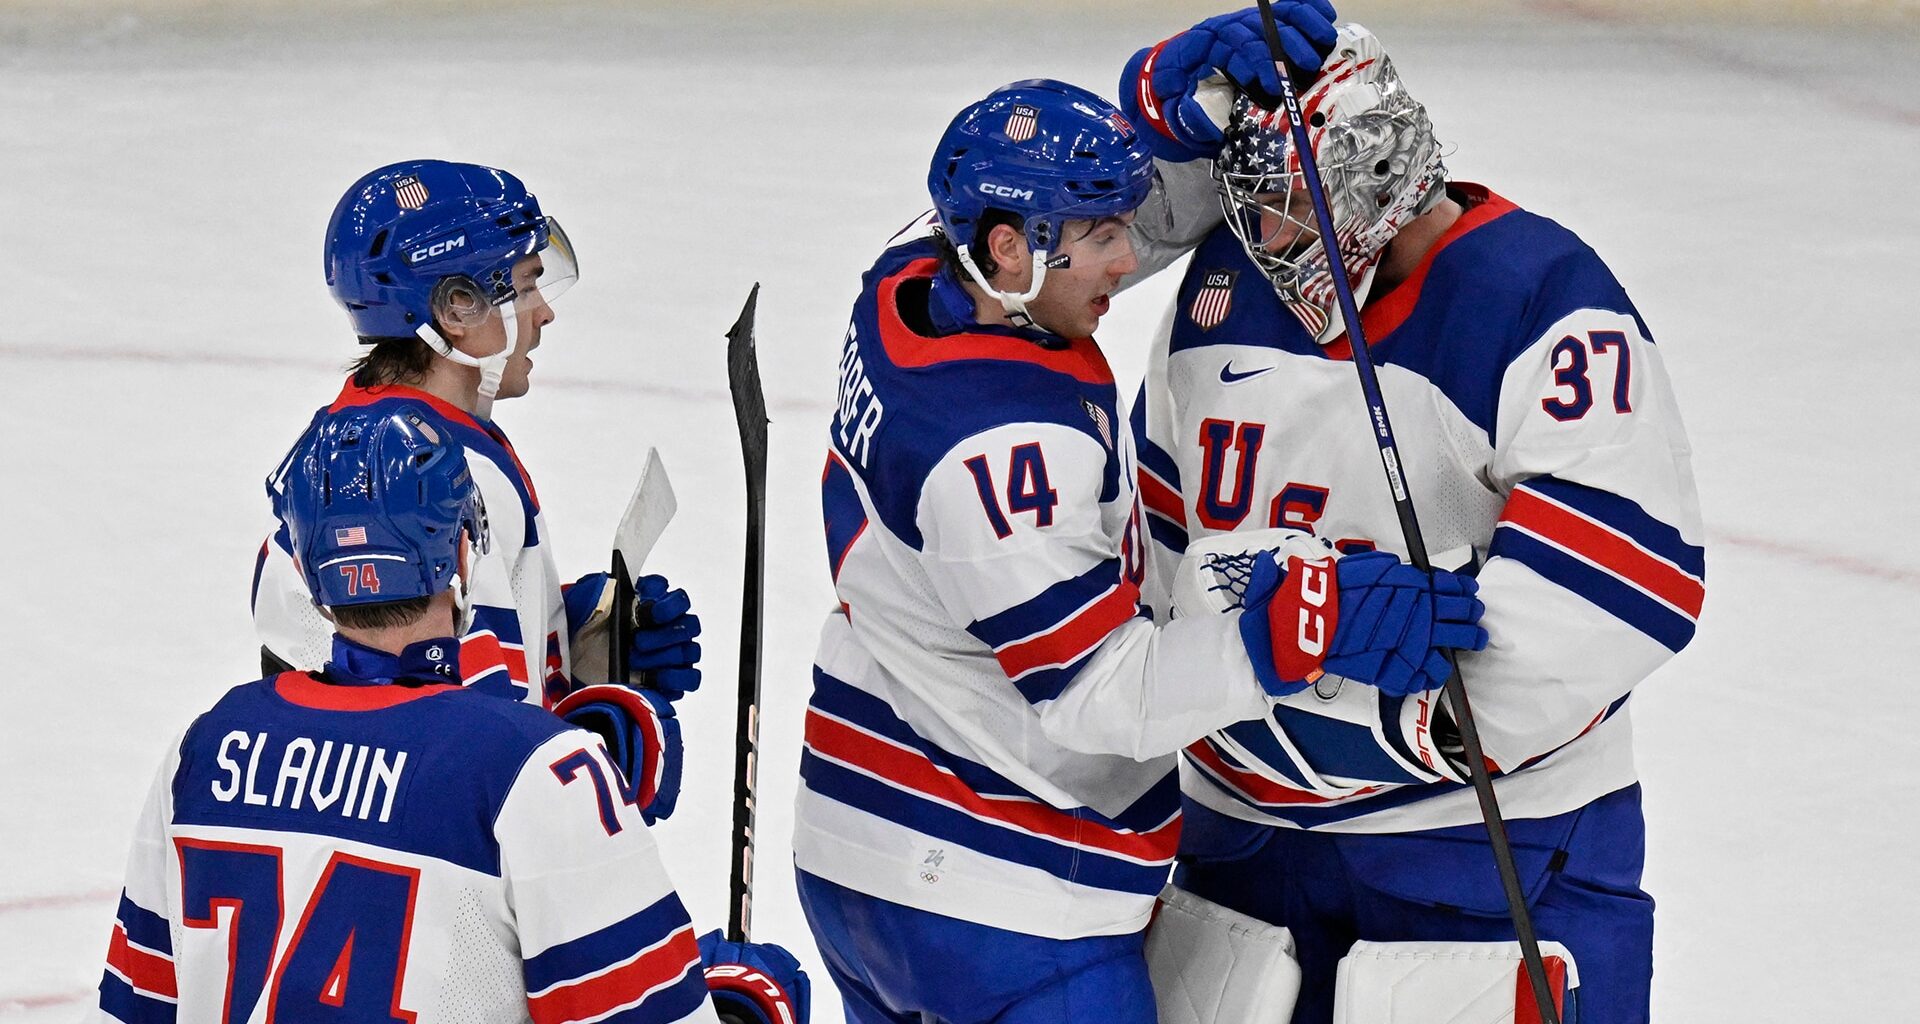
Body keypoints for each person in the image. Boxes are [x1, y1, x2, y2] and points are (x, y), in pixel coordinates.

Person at [790, 71, 1486, 1024]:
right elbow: (1097, 692)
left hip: (857, 843)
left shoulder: (908, 277)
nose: (1129, 253)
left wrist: (1175, 119)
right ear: (1010, 247)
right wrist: (1296, 631)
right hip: (997, 896)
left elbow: (1089, 228)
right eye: (1100, 235)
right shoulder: (1006, 458)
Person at [1119, 10, 1706, 1022]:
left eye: (1287, 207)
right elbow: (1156, 555)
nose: (1264, 240)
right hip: (1239, 849)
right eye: (1250, 208)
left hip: (1482, 848)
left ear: (1374, 173)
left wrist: (1389, 726)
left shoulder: (1540, 295)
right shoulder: (1223, 286)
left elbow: (1620, 592)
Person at [95, 408, 807, 1024]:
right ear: (463, 552)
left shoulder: (202, 749)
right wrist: (737, 1003)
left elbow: (143, 1005)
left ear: (308, 575)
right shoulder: (537, 770)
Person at [251, 160, 700, 818]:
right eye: (526, 285)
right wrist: (591, 767)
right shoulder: (429, 476)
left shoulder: (387, 447)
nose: (544, 313)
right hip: (435, 871)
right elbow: (450, 758)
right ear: (457, 307)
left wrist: (562, 632)